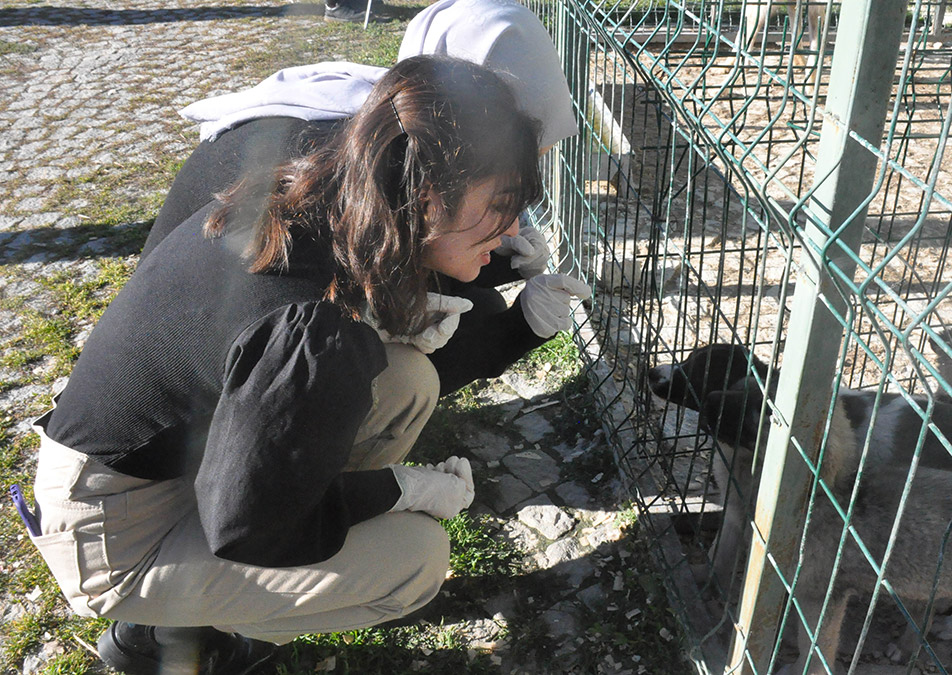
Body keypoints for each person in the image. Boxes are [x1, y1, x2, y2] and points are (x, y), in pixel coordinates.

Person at [23, 55, 589, 675]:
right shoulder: (312, 330)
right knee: (415, 558)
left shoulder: (323, 190)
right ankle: (177, 640)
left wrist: (503, 281)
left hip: (167, 458)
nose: (512, 227)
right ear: (427, 198)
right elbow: (248, 526)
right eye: (503, 204)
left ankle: (234, 590)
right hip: (114, 534)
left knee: (404, 381)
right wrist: (399, 492)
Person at [150, 0, 579, 395]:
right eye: (506, 186)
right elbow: (336, 344)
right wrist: (519, 329)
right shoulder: (332, 168)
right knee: (407, 380)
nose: (517, 217)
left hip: (209, 343)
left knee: (472, 304)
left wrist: (495, 258)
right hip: (195, 383)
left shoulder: (391, 126)